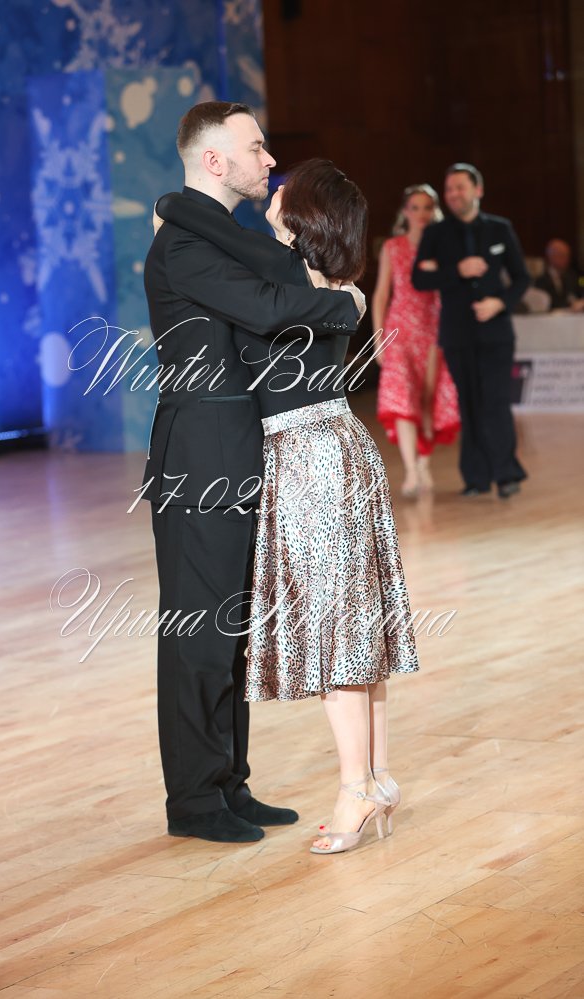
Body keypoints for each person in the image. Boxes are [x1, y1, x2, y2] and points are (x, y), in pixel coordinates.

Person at [157, 158, 419, 857]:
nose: (273, 186)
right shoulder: (330, 279)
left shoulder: (284, 273)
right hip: (340, 444)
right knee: (357, 628)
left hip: (308, 457)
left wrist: (171, 207)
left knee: (335, 634)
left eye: (286, 192)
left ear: (303, 218)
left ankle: (355, 789)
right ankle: (376, 777)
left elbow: (239, 259)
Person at [143, 103, 364, 844]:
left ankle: (228, 783)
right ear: (214, 160)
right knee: (198, 632)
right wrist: (345, 304)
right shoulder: (185, 243)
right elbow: (266, 305)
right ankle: (194, 800)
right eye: (257, 148)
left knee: (230, 629)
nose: (270, 160)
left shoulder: (208, 230)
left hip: (238, 453)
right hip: (198, 461)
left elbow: (270, 264)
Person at [411, 163, 530, 499]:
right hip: (457, 333)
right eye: (449, 189)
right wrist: (456, 270)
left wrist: (500, 303)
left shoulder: (500, 229)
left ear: (478, 190)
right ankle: (476, 478)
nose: (453, 194)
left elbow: (522, 278)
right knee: (469, 403)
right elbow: (419, 279)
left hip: (496, 333)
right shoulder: (436, 233)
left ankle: (506, 474)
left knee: (496, 401)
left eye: (460, 187)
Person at [372, 185, 459, 497]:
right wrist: (379, 338)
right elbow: (381, 294)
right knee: (401, 398)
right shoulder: (393, 247)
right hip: (398, 332)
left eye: (427, 207)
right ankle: (410, 470)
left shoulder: (444, 247)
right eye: (415, 207)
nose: (421, 213)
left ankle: (423, 464)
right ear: (405, 212)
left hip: (433, 331)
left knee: (427, 399)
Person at [534, 239, 584, 311]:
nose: (566, 259)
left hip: (571, 315)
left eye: (567, 255)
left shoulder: (574, 277)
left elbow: (581, 287)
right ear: (551, 256)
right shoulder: (539, 279)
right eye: (562, 255)